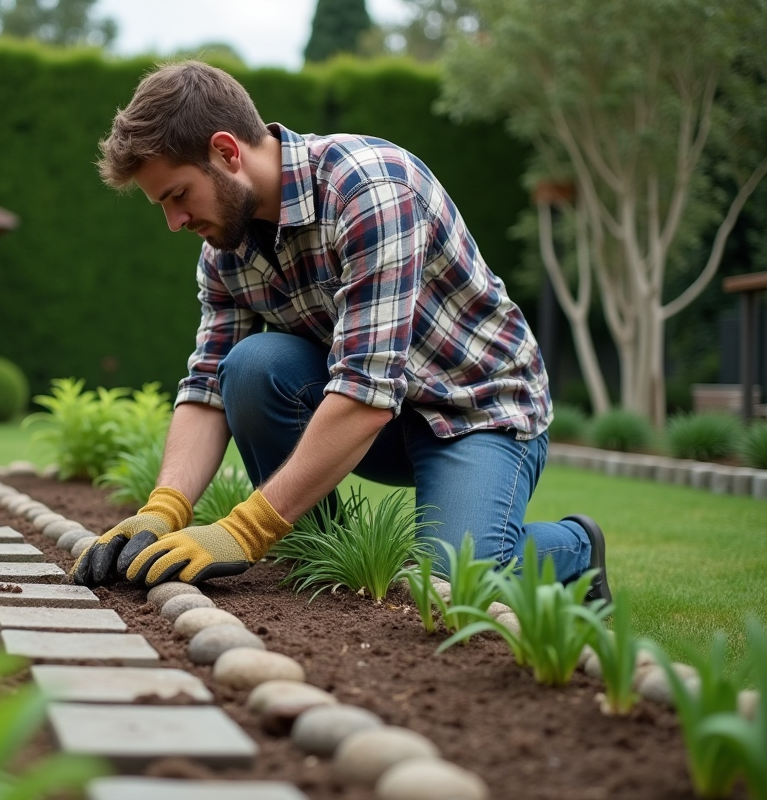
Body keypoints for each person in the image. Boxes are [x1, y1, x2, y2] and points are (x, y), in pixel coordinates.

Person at [69, 61, 611, 602]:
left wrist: (244, 530)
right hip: (376, 419)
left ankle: (575, 547)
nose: (174, 222)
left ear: (227, 152)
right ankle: (323, 553)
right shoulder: (225, 250)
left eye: (178, 195)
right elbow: (208, 387)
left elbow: (366, 394)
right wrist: (163, 508)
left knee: (446, 585)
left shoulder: (370, 189)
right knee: (251, 367)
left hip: (476, 411)